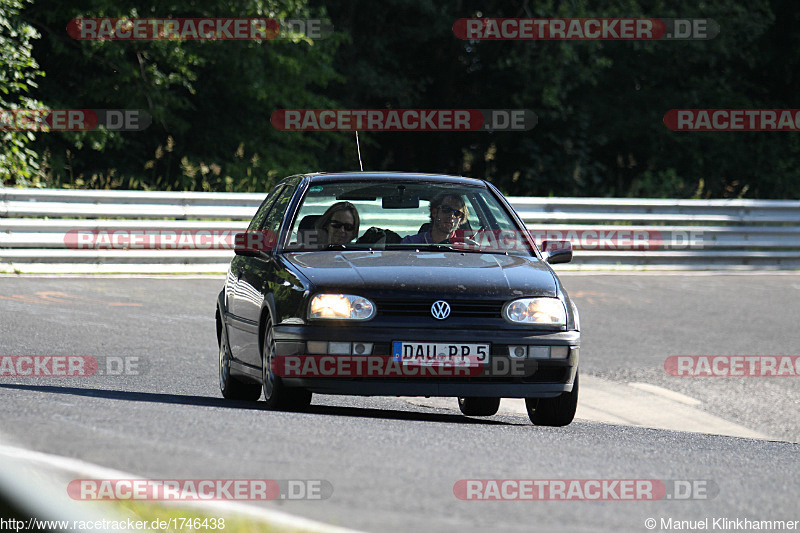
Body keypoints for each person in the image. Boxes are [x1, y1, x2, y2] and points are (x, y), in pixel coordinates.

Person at [401, 193, 468, 245]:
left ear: (461, 220)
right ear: (434, 213)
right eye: (446, 209)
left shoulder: (465, 248)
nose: (451, 216)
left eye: (457, 213)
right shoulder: (411, 243)